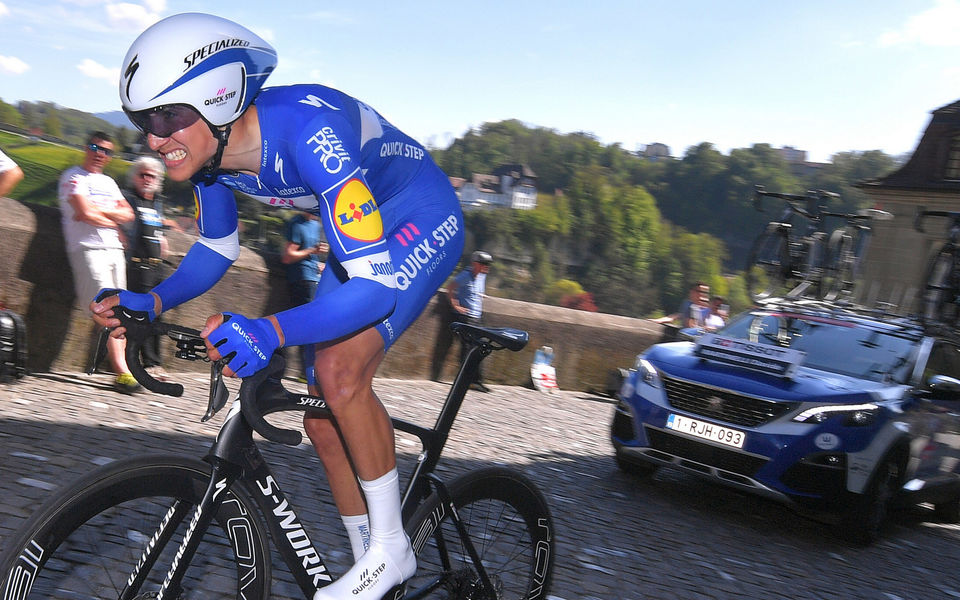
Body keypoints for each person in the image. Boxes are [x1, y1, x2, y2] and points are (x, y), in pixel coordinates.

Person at [92, 13, 464, 599]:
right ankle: (370, 557)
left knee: (340, 375)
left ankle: (392, 551)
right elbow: (216, 247)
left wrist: (267, 329)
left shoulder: (310, 136)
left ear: (218, 96)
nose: (154, 139)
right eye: (145, 121)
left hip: (418, 213)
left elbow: (376, 290)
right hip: (360, 236)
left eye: (167, 115)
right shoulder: (209, 158)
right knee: (320, 410)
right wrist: (152, 298)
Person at [60, 131, 138, 393]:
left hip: (115, 250)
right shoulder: (73, 177)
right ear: (86, 147)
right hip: (88, 249)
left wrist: (99, 212)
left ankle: (122, 368)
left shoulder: (109, 182)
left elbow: (128, 214)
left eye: (106, 150)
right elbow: (82, 212)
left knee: (121, 310)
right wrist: (109, 217)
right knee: (106, 310)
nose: (100, 153)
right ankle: (123, 372)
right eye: (95, 147)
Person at [121, 156, 180, 381]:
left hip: (157, 268)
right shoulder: (128, 198)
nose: (147, 179)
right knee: (143, 317)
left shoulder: (156, 202)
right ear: (134, 177)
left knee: (158, 316)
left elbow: (155, 227)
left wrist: (162, 237)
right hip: (138, 266)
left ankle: (154, 363)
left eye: (152, 175)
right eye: (142, 174)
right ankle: (149, 364)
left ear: (158, 180)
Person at [281, 211, 328, 382]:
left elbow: (311, 256)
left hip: (314, 278)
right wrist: (311, 251)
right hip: (301, 280)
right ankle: (306, 371)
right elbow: (288, 256)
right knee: (308, 325)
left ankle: (307, 371)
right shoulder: (297, 223)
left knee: (313, 325)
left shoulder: (316, 224)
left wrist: (319, 263)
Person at [446, 250, 492, 392]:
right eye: (483, 264)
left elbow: (476, 291)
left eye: (488, 264)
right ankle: (467, 381)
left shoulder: (481, 277)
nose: (486, 267)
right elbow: (450, 288)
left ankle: (477, 380)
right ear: (475, 264)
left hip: (477, 317)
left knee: (481, 348)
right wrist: (456, 306)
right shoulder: (466, 275)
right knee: (468, 350)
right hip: (467, 318)